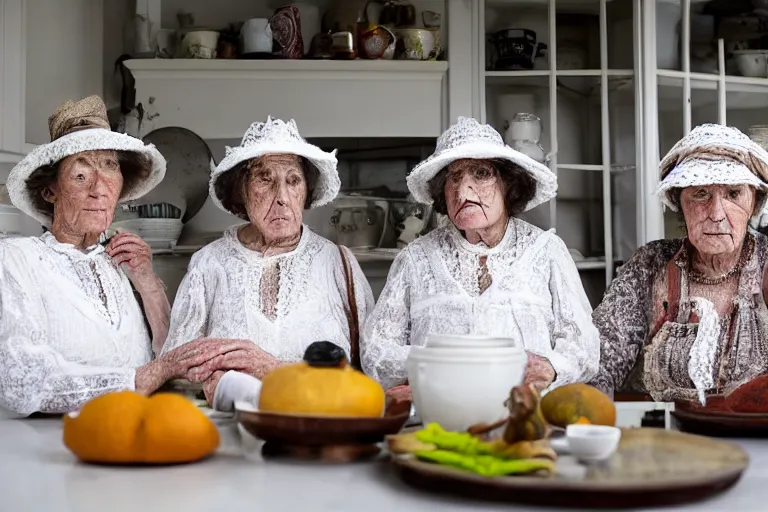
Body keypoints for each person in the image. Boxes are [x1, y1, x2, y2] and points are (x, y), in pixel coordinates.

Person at [0, 95, 236, 416]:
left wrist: (148, 283)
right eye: (81, 175)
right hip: (52, 451)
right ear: (50, 191)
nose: (99, 189)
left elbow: (169, 358)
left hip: (130, 441)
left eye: (110, 167)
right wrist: (140, 378)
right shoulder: (17, 259)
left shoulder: (117, 262)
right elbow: (20, 380)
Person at [361, 117, 601, 400]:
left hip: (526, 422)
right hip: (441, 418)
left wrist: (551, 366)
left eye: (481, 173)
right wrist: (438, 363)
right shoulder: (415, 258)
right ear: (442, 191)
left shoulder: (547, 250)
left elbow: (584, 347)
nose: (463, 192)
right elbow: (375, 352)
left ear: (508, 184)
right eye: (453, 178)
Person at [162, 116, 374, 411]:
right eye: (265, 179)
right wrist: (207, 378)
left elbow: (373, 374)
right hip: (234, 438)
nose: (282, 198)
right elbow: (174, 366)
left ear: (306, 192)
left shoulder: (338, 263)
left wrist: (270, 367)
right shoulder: (209, 264)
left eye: (293, 181)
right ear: (242, 192)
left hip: (323, 426)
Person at [591, 124, 768, 405]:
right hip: (667, 436)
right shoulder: (651, 265)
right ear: (679, 201)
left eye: (733, 194)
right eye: (700, 194)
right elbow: (599, 358)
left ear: (755, 203)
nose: (716, 214)